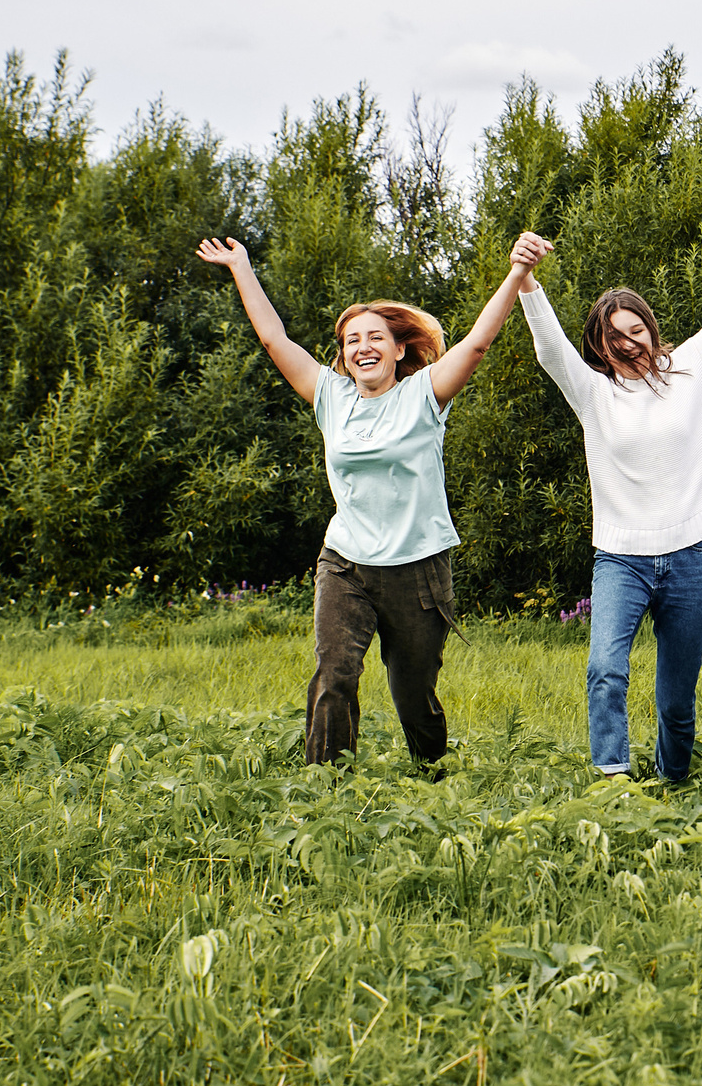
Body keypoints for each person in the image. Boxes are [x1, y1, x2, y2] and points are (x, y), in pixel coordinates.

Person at [195, 233, 537, 766]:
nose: (363, 347)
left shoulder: (423, 395)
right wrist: (242, 266)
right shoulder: (331, 397)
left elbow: (474, 345)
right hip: (347, 562)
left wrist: (516, 274)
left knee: (412, 694)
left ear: (399, 349)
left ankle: (432, 775)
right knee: (335, 675)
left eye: (375, 336)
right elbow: (273, 339)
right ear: (344, 356)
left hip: (418, 568)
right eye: (352, 340)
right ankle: (325, 792)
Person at [517, 223, 702, 782]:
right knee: (604, 670)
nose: (627, 343)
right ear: (599, 346)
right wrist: (525, 278)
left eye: (635, 329)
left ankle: (674, 782)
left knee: (675, 696)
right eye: (613, 337)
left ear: (650, 328)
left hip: (692, 558)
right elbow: (550, 349)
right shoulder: (594, 393)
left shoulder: (689, 368)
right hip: (621, 559)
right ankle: (612, 779)